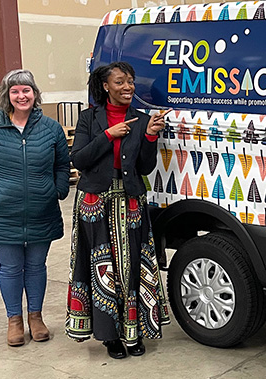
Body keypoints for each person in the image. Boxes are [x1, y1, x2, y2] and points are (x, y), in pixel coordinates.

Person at [65, 62, 171, 359]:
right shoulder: (89, 118)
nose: (128, 87)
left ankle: (134, 333)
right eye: (121, 82)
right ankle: (109, 337)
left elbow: (144, 167)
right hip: (94, 202)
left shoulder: (141, 118)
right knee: (102, 268)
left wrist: (149, 137)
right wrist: (108, 135)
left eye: (131, 81)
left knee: (132, 266)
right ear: (105, 87)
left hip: (131, 201)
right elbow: (79, 160)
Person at [0, 69, 71, 347]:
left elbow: (62, 164)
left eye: (26, 90)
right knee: (11, 268)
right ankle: (14, 321)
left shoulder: (50, 128)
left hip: (42, 210)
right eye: (15, 91)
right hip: (3, 212)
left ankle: (35, 318)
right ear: (7, 95)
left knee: (37, 266)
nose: (21, 95)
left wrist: (58, 191)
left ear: (35, 94)